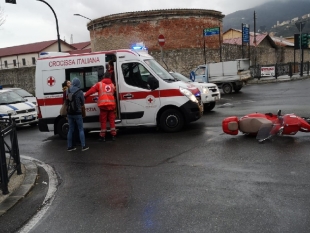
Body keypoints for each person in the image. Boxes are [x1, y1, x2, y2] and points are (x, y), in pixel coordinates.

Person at [84, 71, 117, 141]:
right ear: (110, 77)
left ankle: (103, 136)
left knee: (103, 121)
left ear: (104, 77)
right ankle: (113, 135)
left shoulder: (100, 84)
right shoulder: (112, 85)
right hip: (111, 105)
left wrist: (85, 95)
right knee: (112, 120)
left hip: (103, 105)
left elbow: (91, 90)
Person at [66, 77, 89, 151]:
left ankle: (70, 147)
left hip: (69, 112)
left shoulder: (68, 90)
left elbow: (66, 100)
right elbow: (82, 102)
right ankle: (83, 146)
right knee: (80, 129)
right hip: (77, 112)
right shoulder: (80, 91)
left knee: (70, 129)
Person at [62, 80, 80, 147]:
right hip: (70, 111)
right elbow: (66, 101)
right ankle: (74, 142)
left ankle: (73, 143)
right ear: (66, 85)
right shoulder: (67, 91)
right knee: (73, 127)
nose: (70, 83)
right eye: (68, 83)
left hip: (70, 110)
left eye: (70, 82)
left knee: (73, 127)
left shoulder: (69, 90)